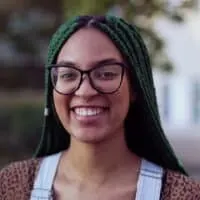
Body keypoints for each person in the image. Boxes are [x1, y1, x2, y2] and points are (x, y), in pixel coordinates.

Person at [0, 15, 200, 200]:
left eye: (105, 73)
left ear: (135, 88)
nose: (85, 91)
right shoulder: (14, 186)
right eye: (68, 74)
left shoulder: (180, 194)